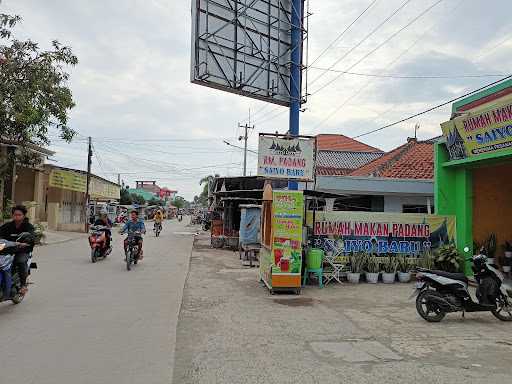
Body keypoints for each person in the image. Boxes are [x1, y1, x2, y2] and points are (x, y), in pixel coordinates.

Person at [0, 205, 35, 295]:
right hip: (7, 249)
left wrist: (28, 240)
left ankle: (23, 285)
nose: (17, 216)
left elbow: (31, 236)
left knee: (20, 261)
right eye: (15, 214)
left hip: (22, 250)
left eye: (19, 215)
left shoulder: (28, 226)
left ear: (23, 215)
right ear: (12, 215)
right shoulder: (7, 226)